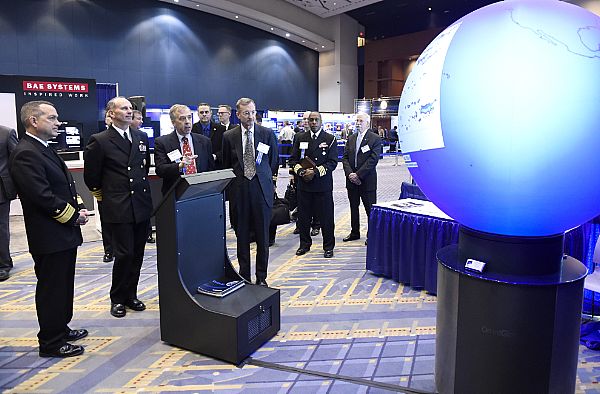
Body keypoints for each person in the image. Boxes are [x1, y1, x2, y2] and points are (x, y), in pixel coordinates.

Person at [9, 100, 90, 357]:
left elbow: (66, 185)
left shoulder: (43, 148)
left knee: (63, 285)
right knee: (51, 288)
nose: (58, 123)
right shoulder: (26, 152)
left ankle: (61, 327)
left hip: (62, 233)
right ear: (34, 121)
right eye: (52, 118)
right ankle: (51, 341)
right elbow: (41, 196)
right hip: (49, 234)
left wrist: (79, 208)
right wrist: (72, 217)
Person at [84, 96, 153, 318]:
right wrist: (107, 198)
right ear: (111, 113)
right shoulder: (101, 140)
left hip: (140, 205)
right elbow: (92, 177)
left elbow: (144, 169)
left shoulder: (140, 136)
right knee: (124, 254)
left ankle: (131, 294)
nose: (129, 111)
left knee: (138, 254)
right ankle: (117, 298)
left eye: (130, 108)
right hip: (119, 206)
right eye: (123, 108)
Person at [222, 98, 278, 286]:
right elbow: (226, 165)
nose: (251, 117)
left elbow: (273, 162)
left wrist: (262, 179)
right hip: (239, 192)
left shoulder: (267, 134)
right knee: (242, 236)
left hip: (261, 190)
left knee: (263, 236)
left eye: (253, 112)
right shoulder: (229, 136)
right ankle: (244, 275)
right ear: (238, 115)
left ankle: (261, 277)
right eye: (246, 113)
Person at [289, 111, 338, 258]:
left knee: (327, 218)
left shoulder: (330, 139)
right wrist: (301, 173)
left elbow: (332, 163)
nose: (314, 122)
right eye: (311, 120)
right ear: (307, 122)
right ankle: (304, 244)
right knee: (303, 218)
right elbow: (293, 160)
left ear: (321, 121)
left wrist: (315, 172)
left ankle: (328, 246)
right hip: (304, 185)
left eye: (316, 120)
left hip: (323, 185)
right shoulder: (299, 137)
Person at [154, 104, 215, 195]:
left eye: (189, 117)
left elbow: (210, 169)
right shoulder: (162, 142)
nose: (187, 122)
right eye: (182, 118)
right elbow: (160, 170)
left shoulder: (204, 141)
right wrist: (179, 166)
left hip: (201, 192)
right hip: (175, 193)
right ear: (173, 122)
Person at [341, 112, 382, 245]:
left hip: (367, 181)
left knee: (370, 210)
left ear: (367, 123)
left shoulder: (375, 138)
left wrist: (358, 175)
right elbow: (345, 158)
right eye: (357, 121)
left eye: (361, 121)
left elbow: (373, 159)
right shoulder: (351, 138)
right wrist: (350, 174)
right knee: (354, 207)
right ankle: (354, 232)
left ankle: (372, 235)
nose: (358, 123)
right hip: (352, 181)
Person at [0, 125, 18, 281]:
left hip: (0, 191)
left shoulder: (6, 133)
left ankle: (3, 265)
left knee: (1, 228)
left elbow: (17, 161)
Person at [98, 112, 115, 262]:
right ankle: (109, 250)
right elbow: (93, 174)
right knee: (107, 223)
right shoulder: (99, 140)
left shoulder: (136, 138)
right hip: (106, 192)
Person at [191, 102, 225, 169]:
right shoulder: (192, 129)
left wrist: (216, 156)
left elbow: (224, 148)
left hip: (216, 165)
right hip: (199, 165)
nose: (204, 114)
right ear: (198, 114)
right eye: (201, 112)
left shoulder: (221, 129)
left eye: (206, 112)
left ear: (211, 113)